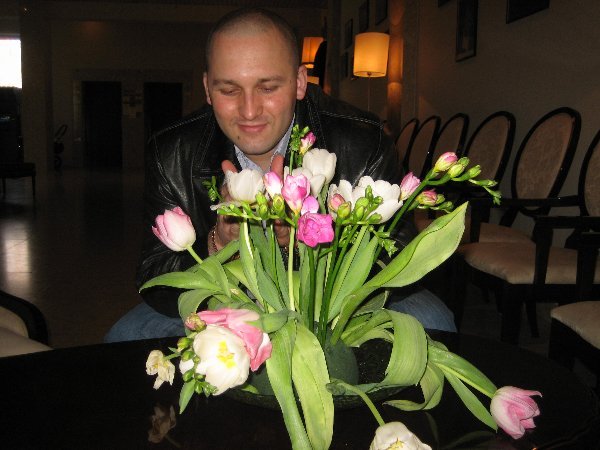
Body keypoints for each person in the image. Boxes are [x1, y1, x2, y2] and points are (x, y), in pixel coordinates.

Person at [104, 7, 455, 342]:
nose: (249, 111)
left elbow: (400, 257)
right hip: (226, 300)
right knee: (124, 336)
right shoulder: (171, 152)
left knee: (434, 322)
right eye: (229, 90)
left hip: (337, 305)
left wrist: (308, 244)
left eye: (268, 87)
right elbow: (154, 276)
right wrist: (220, 245)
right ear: (208, 88)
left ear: (300, 82)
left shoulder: (363, 140)